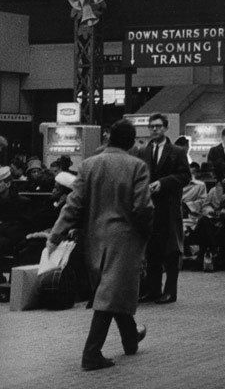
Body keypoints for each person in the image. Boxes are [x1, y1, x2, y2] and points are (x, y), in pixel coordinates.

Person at [46, 118, 153, 371]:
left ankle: (130, 338)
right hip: (125, 239)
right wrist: (145, 235)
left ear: (108, 138)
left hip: (94, 238)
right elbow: (143, 207)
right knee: (110, 294)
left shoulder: (89, 165)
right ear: (131, 143)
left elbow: (73, 205)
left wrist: (55, 235)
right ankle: (91, 354)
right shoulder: (137, 166)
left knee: (111, 288)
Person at [137, 112, 190, 304]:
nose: (154, 129)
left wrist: (163, 183)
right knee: (152, 251)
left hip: (168, 207)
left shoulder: (177, 151)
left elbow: (185, 176)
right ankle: (153, 289)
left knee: (171, 251)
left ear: (166, 128)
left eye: (158, 126)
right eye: (152, 126)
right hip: (150, 208)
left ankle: (170, 291)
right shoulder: (143, 151)